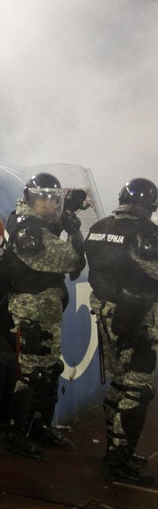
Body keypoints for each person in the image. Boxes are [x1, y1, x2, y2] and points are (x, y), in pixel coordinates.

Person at [0, 174, 86, 459]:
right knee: (32, 374)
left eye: (53, 197)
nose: (48, 202)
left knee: (49, 371)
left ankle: (39, 427)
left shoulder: (40, 224)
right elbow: (71, 259)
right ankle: (17, 435)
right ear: (29, 198)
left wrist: (67, 216)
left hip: (46, 309)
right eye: (42, 197)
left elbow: (53, 234)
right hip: (31, 309)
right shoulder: (28, 231)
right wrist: (74, 231)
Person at [84, 178, 158, 486]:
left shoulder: (99, 226)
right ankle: (118, 461)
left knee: (119, 384)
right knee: (137, 389)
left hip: (106, 313)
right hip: (136, 318)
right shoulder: (146, 233)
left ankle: (117, 449)